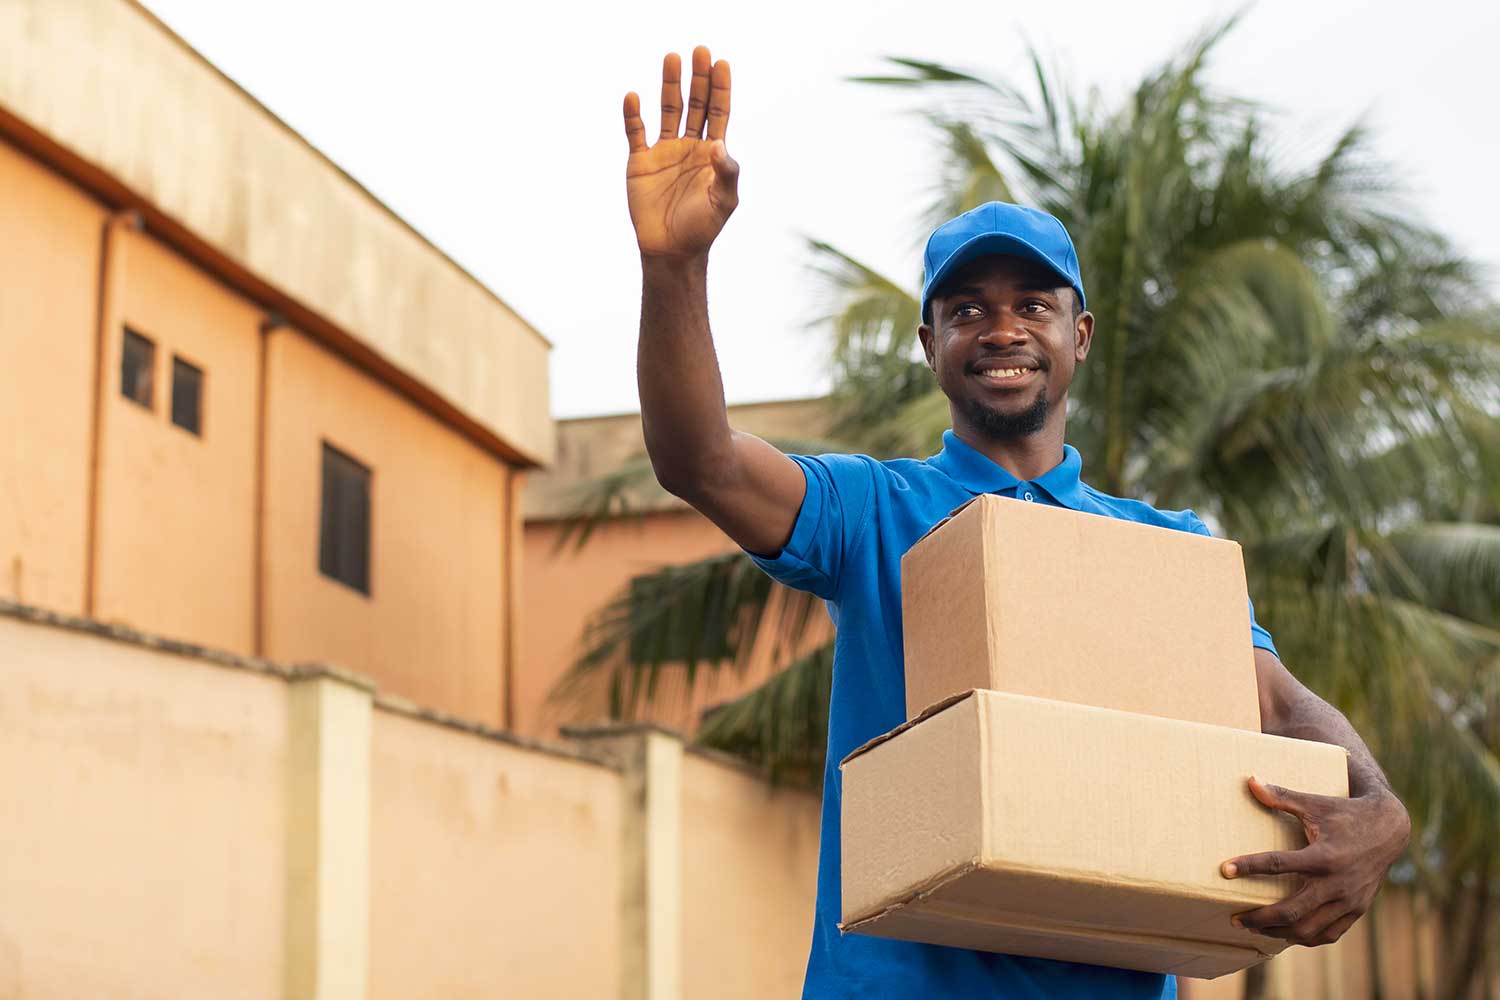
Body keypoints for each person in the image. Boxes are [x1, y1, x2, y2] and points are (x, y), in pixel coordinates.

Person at [621, 45, 1412, 999]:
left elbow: (1275, 702)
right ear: (930, 344)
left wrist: (1381, 812)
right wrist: (676, 269)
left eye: (1033, 305)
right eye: (967, 309)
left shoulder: (1165, 547)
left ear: (1077, 335)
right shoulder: (875, 512)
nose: (1002, 329)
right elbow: (697, 458)